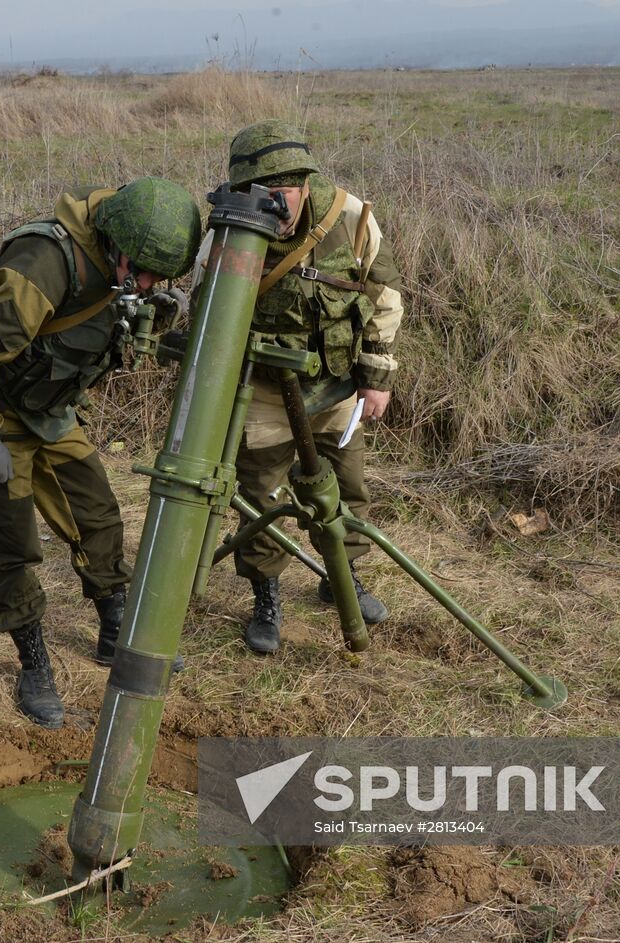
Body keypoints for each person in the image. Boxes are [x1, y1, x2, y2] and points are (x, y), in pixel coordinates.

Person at [0, 178, 202, 728]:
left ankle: (114, 631)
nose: (151, 283)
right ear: (116, 242)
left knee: (98, 515)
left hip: (50, 411)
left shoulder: (119, 265)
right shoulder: (43, 265)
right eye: (147, 270)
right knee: (13, 542)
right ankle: (32, 662)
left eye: (162, 275)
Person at [223, 120, 406, 655]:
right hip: (262, 395)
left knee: (346, 489)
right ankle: (267, 596)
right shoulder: (231, 227)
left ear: (304, 184)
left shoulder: (351, 218)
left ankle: (342, 579)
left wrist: (375, 380)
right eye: (256, 193)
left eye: (278, 193)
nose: (270, 206)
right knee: (260, 499)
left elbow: (385, 296)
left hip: (335, 391)